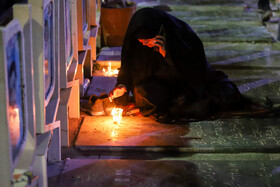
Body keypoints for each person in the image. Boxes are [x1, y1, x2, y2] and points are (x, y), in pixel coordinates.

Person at [109, 7, 248, 122]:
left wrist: (167, 54)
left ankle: (179, 106)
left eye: (149, 41)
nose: (145, 44)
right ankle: (172, 105)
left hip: (183, 85)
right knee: (143, 93)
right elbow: (128, 68)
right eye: (142, 41)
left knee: (216, 96)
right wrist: (123, 85)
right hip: (158, 87)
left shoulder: (180, 34)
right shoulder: (135, 43)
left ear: (159, 33)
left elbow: (194, 73)